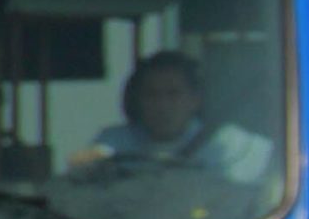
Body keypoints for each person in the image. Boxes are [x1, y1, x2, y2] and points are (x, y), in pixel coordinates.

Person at [70, 50, 275, 186]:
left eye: (173, 94)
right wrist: (86, 163)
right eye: (152, 95)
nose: (162, 105)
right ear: (137, 100)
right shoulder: (115, 141)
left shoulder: (230, 144)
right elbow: (89, 164)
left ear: (195, 100)